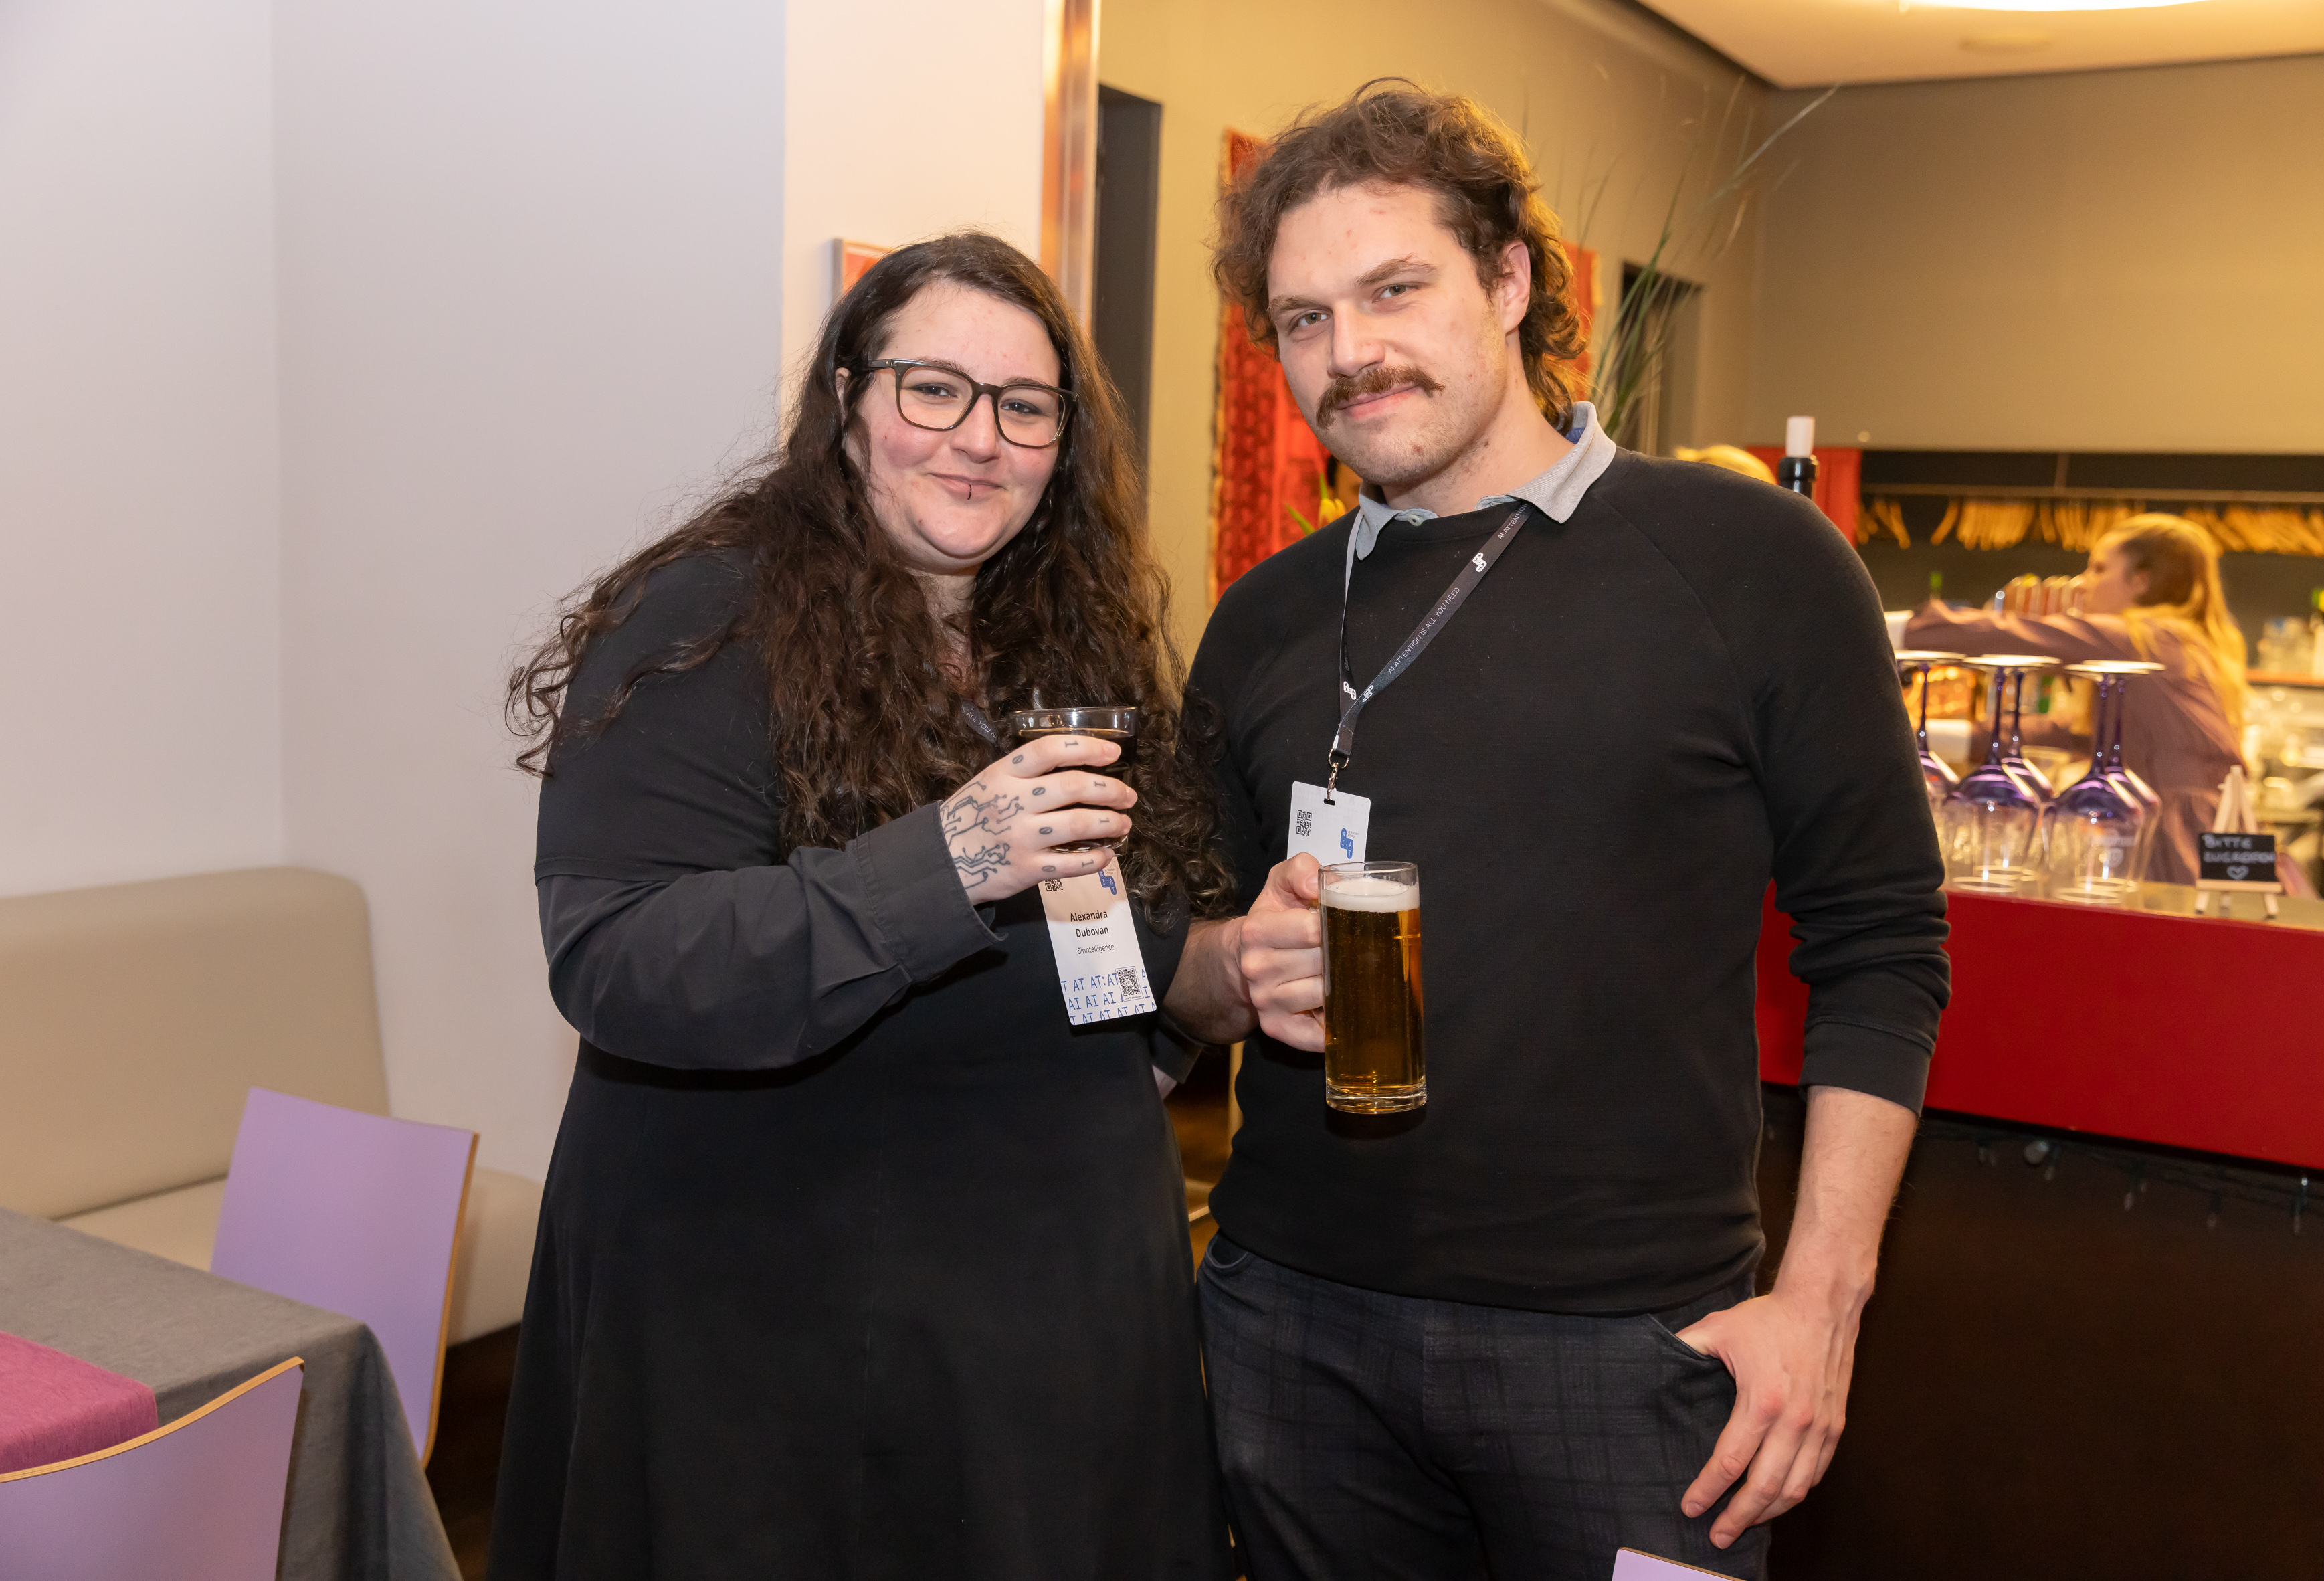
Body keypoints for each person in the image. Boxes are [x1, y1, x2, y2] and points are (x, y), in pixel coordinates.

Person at [1161, 85, 1949, 1578]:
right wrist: (1230, 964)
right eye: (1304, 318)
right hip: (1291, 1325)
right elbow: (1184, 960)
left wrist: (1819, 1302)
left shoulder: (1753, 562)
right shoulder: (1264, 616)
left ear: (1511, 278)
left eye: (1394, 289)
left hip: (1632, 1348)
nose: (1348, 350)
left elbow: (1884, 949)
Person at [488, 232, 1232, 1580]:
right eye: (932, 389)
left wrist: (1213, 982)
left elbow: (1111, 925)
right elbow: (620, 957)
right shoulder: (707, 618)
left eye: (1025, 406)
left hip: (1042, 1325)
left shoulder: (1063, 632)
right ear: (846, 399)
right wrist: (947, 857)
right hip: (781, 1344)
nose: (979, 438)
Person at [1907, 513, 2249, 884]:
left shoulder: (2140, 638)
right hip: (2224, 833)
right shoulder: (2186, 643)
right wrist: (1930, 735)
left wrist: (1897, 628)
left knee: (2176, 920)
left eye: (2099, 569)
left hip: (2180, 836)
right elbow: (2076, 734)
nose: (2083, 584)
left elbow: (2021, 635)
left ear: (2141, 581)